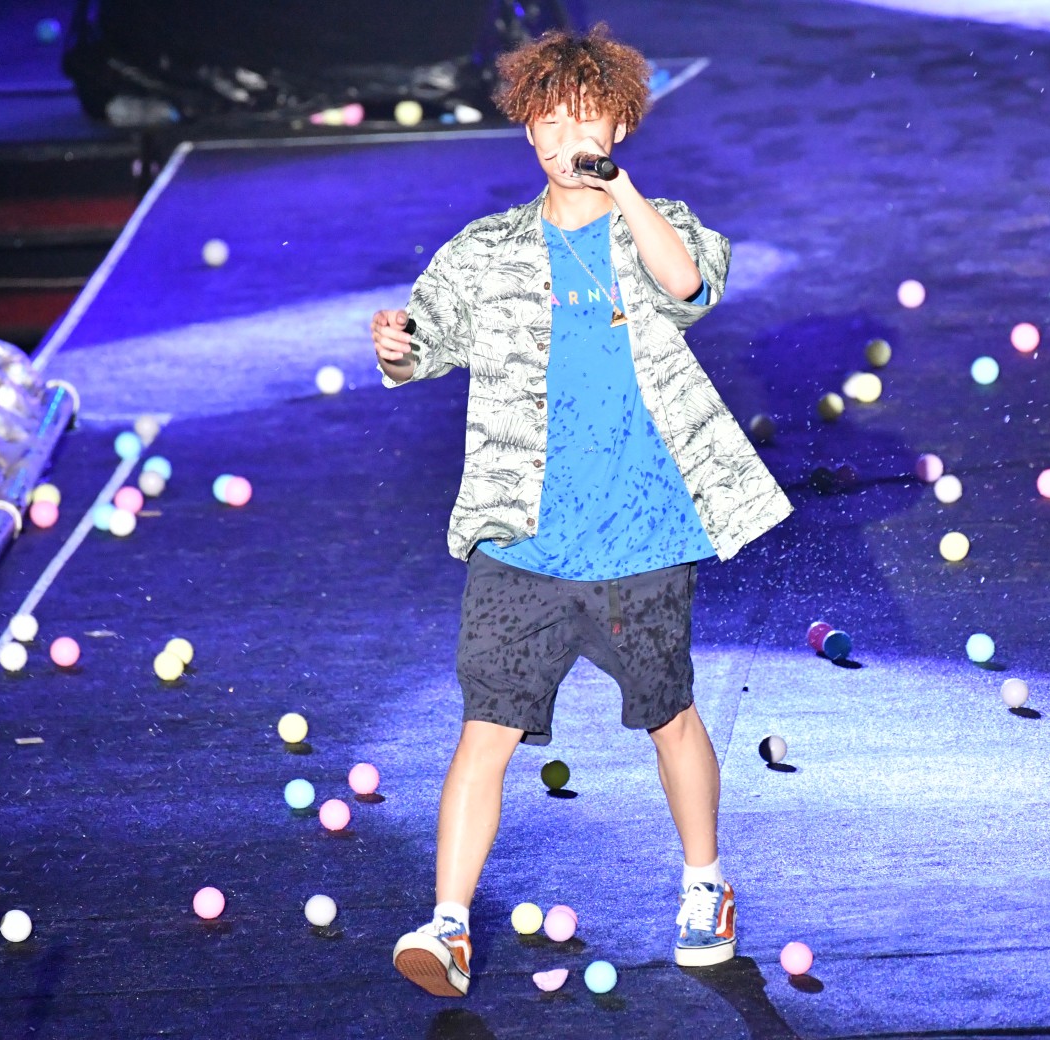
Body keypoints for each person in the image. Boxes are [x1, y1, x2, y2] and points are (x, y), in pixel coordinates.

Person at [370, 23, 792, 998]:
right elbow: (422, 342)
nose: (568, 138)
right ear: (527, 130)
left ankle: (705, 884)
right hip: (523, 535)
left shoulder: (659, 221)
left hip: (641, 530)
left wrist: (621, 191)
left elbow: (688, 286)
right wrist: (396, 345)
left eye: (587, 119)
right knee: (486, 726)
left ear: (620, 125)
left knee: (668, 715)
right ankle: (448, 925)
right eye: (551, 121)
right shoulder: (485, 251)